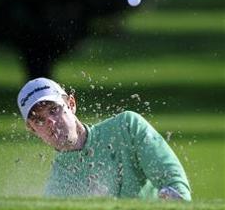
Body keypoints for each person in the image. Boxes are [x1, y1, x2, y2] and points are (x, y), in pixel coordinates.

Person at [17, 77, 191, 201]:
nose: (51, 122)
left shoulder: (127, 126)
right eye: (39, 120)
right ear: (33, 130)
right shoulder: (57, 189)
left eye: (54, 110)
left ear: (71, 104)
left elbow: (173, 181)